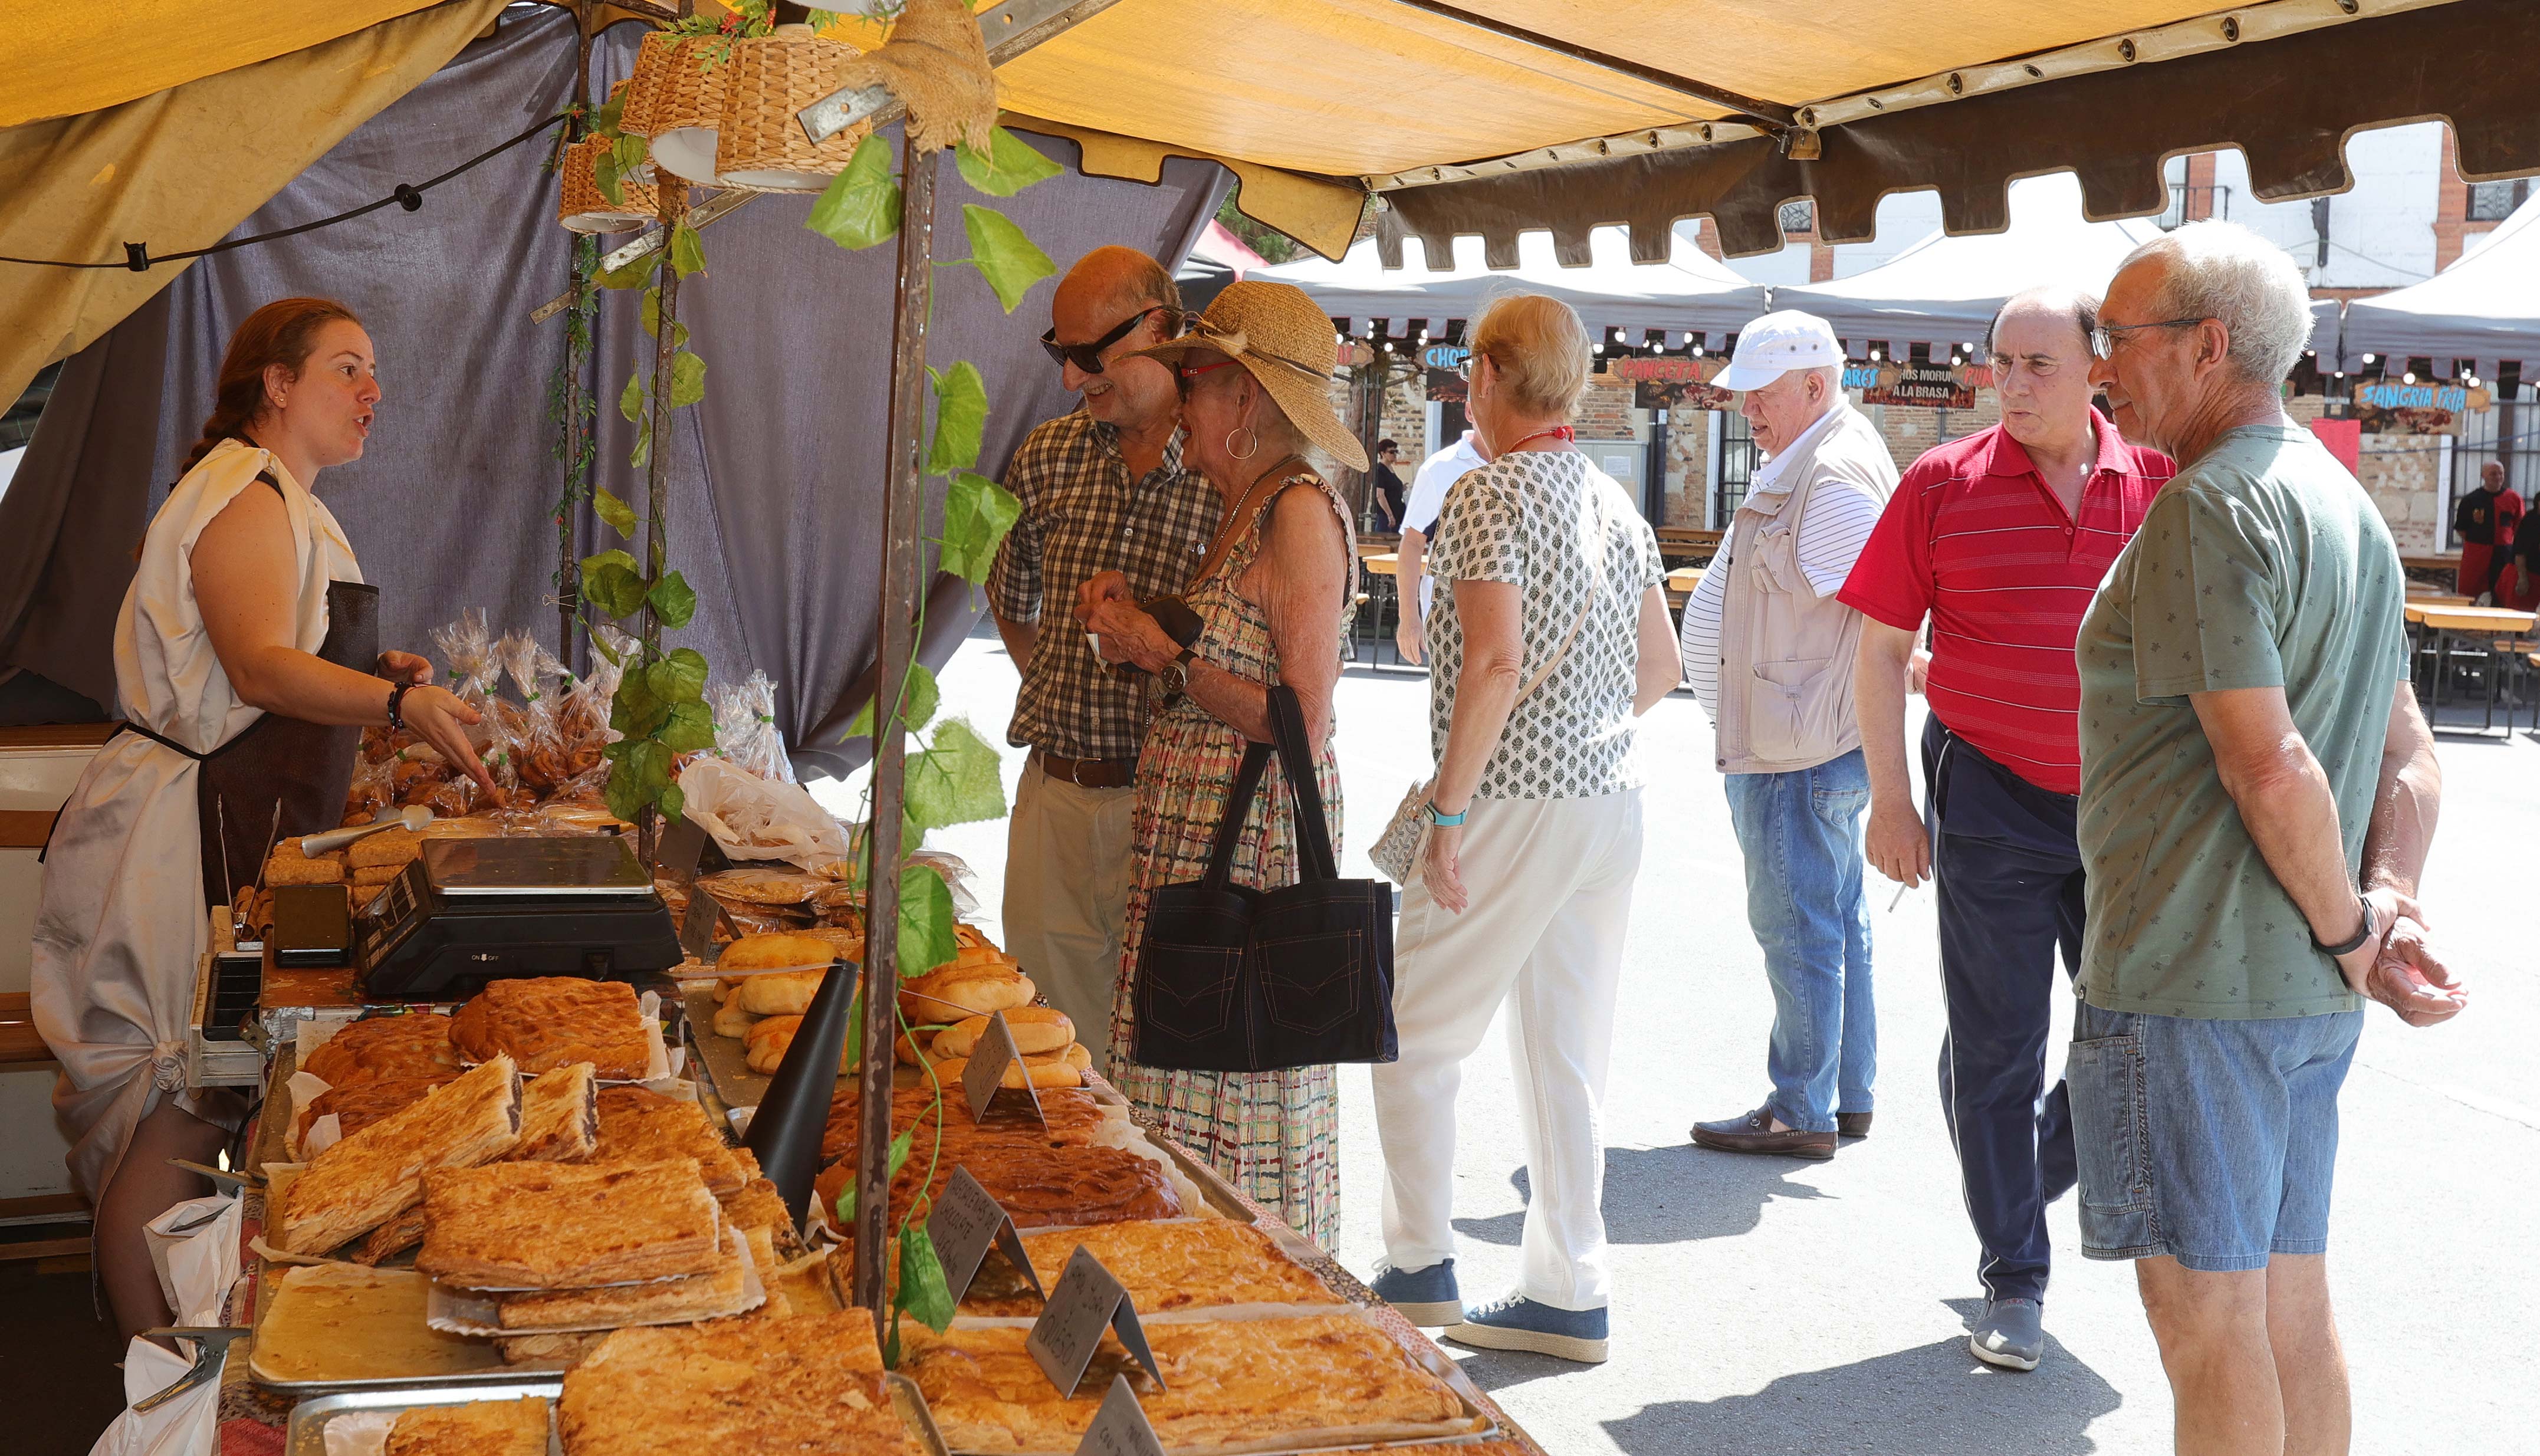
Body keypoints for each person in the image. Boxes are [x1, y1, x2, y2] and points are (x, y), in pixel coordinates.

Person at [32, 298, 493, 1341]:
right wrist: (392, 703)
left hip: (228, 831)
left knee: (206, 1106)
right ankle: (159, 1382)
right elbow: (253, 665)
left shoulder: (288, 498)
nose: (371, 390)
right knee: (175, 1109)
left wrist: (374, 673)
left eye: (374, 370)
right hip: (169, 839)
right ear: (274, 385)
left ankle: (179, 1367)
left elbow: (265, 668)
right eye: (344, 368)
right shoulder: (242, 493)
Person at [2076, 221, 2464, 1455]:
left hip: (2192, 979)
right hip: (2291, 992)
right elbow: (2406, 750)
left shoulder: (2208, 505)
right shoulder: (2337, 502)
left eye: (2116, 338)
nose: (2100, 367)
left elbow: (2267, 761)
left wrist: (2358, 924)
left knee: (2204, 1320)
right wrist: (2380, 905)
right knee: (2284, 1303)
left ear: (2204, 347)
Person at [1841, 287, 2173, 1372]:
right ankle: (2014, 1277)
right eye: (2000, 363)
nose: (2015, 383)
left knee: (2130, 1033)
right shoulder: (1940, 484)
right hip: (1984, 793)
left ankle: (2018, 1172)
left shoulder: (2162, 483)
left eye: (2039, 363)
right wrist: (1890, 800)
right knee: (1999, 1045)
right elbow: (1881, 651)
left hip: (2125, 810)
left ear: (2096, 370)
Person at [1364, 292, 1674, 1366]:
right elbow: (1661, 671)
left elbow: (1493, 663)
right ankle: (1567, 1285)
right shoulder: (1613, 502)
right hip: (1605, 797)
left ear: (1488, 375)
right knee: (1566, 1055)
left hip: (1508, 798)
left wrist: (1451, 809)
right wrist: (1576, 736)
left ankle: (1418, 1265)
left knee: (1410, 1029)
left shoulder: (1489, 494)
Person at [1074, 281, 1362, 1245]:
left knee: (1231, 1099)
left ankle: (1242, 1290)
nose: (1181, 399)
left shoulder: (1298, 513)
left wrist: (1168, 655)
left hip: (1248, 868)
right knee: (1183, 1087)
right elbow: (1229, 645)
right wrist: (1148, 613)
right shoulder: (1242, 508)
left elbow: (1301, 716)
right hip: (1202, 854)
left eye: (1196, 380)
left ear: (1246, 401)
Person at [988, 248, 1220, 1070]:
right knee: (1048, 1049)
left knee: (1162, 1058)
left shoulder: (1227, 465)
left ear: (1160, 328)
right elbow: (1009, 598)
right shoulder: (1047, 455)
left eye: (1090, 355)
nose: (1069, 378)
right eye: (1061, 354)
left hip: (1171, 805)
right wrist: (1060, 684)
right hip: (1054, 795)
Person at [1679, 310, 1895, 1161]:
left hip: (1793, 746)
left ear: (1814, 386)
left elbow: (1882, 618)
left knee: (1798, 926)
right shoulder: (1823, 455)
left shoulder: (1831, 475)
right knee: (1831, 918)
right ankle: (1843, 1094)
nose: (1747, 412)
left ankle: (1799, 1106)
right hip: (1798, 738)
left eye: (1760, 395)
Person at [1392, 426, 1490, 664]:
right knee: (1453, 699)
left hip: (1511, 616)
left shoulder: (1523, 460)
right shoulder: (1441, 468)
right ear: (1469, 411)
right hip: (1451, 616)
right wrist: (1409, 619)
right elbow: (1413, 542)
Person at [2453, 459, 2523, 600]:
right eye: (2493, 474)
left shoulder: (2514, 498)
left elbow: (2519, 527)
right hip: (2477, 554)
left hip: (2504, 554)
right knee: (2471, 595)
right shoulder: (2470, 500)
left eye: (2501, 474)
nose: (2498, 477)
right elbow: (2462, 529)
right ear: (2483, 476)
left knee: (2503, 596)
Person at [1368, 438, 1408, 531]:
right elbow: (1380, 495)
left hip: (1397, 514)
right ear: (1383, 454)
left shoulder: (1391, 469)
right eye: (1391, 452)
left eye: (1396, 451)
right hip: (1385, 516)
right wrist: (1390, 516)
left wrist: (1401, 488)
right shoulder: (1380, 470)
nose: (1394, 454)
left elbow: (1391, 489)